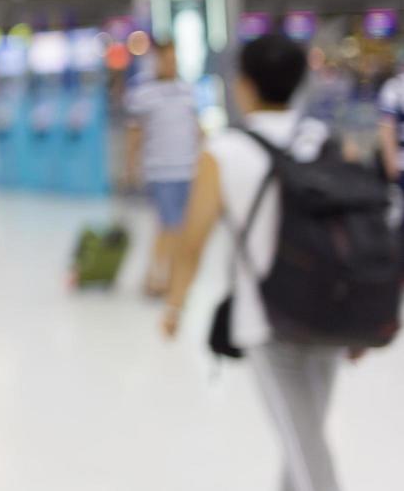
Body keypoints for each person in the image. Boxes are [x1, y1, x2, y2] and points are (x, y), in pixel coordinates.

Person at [162, 34, 350, 491]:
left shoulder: (223, 152)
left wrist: (175, 306)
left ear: (244, 85)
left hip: (269, 319)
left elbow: (193, 241)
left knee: (305, 448)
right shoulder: (325, 141)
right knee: (303, 436)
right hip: (331, 311)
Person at [124, 42, 200, 296]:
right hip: (160, 170)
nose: (171, 64)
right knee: (169, 225)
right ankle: (157, 277)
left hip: (187, 168)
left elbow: (196, 127)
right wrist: (130, 167)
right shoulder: (144, 94)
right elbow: (135, 134)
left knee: (177, 227)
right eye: (167, 59)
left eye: (174, 60)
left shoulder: (187, 91)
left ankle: (162, 274)